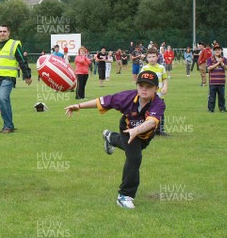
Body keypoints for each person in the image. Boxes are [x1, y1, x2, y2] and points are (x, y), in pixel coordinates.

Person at [64, 71, 166, 209]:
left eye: (149, 86)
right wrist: (79, 106)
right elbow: (103, 101)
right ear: (136, 86)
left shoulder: (158, 103)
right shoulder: (126, 97)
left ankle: (110, 137)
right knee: (134, 158)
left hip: (145, 134)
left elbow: (152, 122)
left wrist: (136, 131)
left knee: (133, 149)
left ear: (156, 88)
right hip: (126, 128)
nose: (144, 89)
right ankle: (124, 196)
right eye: (141, 85)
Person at [0, 24, 32, 133]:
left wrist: (27, 76)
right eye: (0, 31)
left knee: (2, 98)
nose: (2, 33)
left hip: (8, 77)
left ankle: (8, 126)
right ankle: (8, 125)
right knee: (3, 101)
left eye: (4, 31)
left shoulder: (14, 44)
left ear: (8, 33)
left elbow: (22, 60)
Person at [141, 47, 169, 135]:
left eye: (153, 56)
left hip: (159, 95)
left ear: (157, 57)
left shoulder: (161, 68)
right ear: (146, 58)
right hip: (148, 96)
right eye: (149, 57)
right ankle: (147, 130)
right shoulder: (145, 69)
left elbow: (165, 79)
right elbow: (140, 81)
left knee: (160, 112)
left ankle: (160, 130)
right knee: (148, 112)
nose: (151, 59)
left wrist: (165, 87)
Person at [207, 43, 227, 113]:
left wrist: (222, 63)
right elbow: (209, 68)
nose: (217, 51)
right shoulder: (210, 59)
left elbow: (226, 68)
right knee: (212, 97)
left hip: (221, 82)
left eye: (219, 50)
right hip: (213, 82)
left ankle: (222, 108)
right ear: (214, 51)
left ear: (221, 51)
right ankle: (211, 109)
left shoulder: (224, 59)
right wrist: (217, 63)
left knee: (221, 97)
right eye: (216, 50)